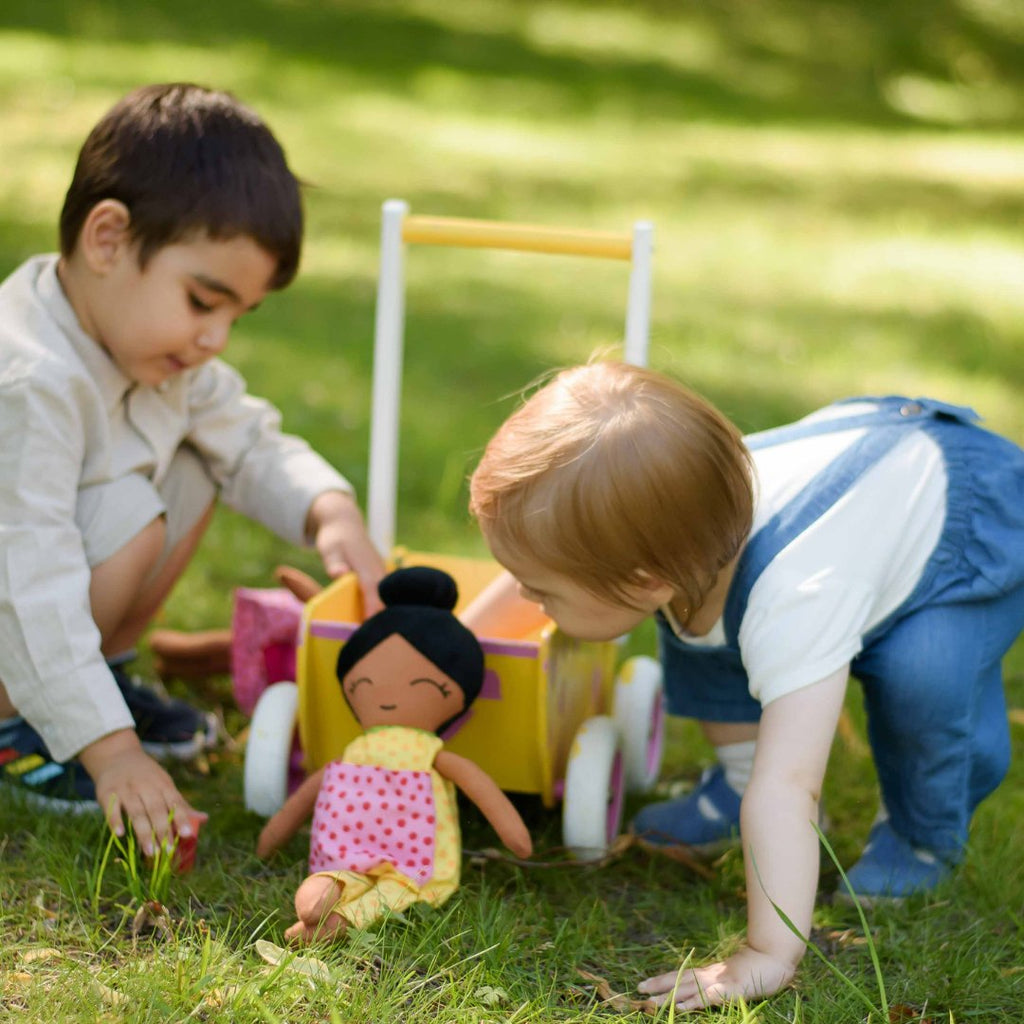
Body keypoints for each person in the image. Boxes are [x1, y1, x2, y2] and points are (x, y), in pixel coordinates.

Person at [463, 359, 1024, 1010]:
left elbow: (791, 787)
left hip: (959, 519)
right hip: (871, 485)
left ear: (643, 580)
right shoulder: (677, 530)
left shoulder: (794, 599)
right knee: (701, 626)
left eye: (539, 588)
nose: (525, 596)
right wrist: (465, 642)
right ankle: (734, 782)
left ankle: (923, 832)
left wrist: (767, 953)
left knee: (921, 681)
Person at [0, 83, 385, 857]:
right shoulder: (30, 379)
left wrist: (328, 509)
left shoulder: (156, 354)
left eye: (236, 317)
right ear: (108, 240)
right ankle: (23, 726)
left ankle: (96, 684)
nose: (214, 338)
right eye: (203, 300)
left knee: (194, 464)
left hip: (43, 619)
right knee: (132, 512)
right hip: (17, 613)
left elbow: (247, 441)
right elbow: (26, 578)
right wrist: (110, 754)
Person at [256, 566, 532, 941]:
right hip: (380, 860)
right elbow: (477, 783)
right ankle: (325, 909)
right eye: (365, 683)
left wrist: (270, 841)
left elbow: (307, 794)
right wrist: (516, 839)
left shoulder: (372, 751)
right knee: (378, 887)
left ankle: (322, 913)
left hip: (374, 858)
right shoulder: (399, 753)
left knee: (371, 885)